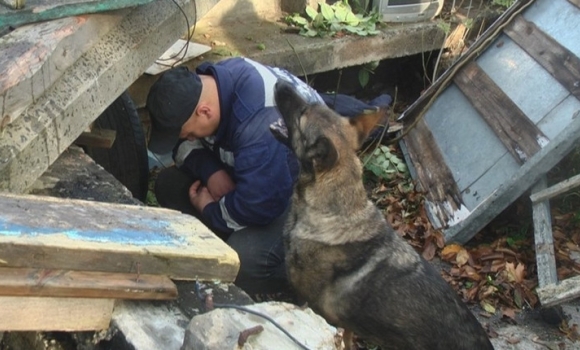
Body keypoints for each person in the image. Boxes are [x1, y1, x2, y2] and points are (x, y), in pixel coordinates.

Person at [146, 57, 391, 296]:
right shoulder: (211, 84)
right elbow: (181, 147)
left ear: (205, 112)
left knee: (243, 261)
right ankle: (223, 235)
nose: (187, 138)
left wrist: (210, 209)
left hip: (303, 193)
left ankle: (321, 280)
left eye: (188, 133)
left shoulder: (261, 131)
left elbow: (258, 206)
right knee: (169, 185)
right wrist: (212, 173)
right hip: (260, 174)